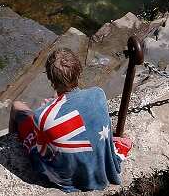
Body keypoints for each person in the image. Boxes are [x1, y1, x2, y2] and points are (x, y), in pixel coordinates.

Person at [9, 48, 132, 191]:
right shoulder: (98, 94)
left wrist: (48, 109)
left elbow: (44, 153)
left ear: (51, 79)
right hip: (97, 169)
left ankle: (11, 142)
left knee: (17, 106)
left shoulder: (41, 116)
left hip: (64, 177)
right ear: (78, 71)